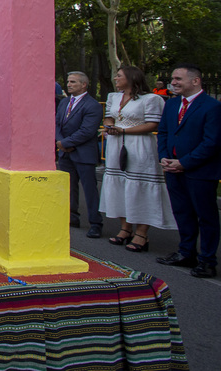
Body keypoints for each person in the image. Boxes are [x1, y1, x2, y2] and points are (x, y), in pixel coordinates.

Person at [156, 63, 221, 278]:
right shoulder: (172, 104)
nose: (173, 83)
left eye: (178, 79)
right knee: (182, 213)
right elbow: (164, 132)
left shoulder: (212, 106)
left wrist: (184, 162)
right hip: (172, 169)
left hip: (200, 172)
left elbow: (211, 142)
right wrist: (164, 156)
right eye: (172, 79)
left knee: (206, 216)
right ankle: (186, 252)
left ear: (195, 81)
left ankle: (208, 260)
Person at [99, 65, 174, 252]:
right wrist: (110, 126)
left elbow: (152, 124)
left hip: (139, 146)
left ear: (131, 78)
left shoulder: (151, 99)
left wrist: (124, 130)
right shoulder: (113, 97)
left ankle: (141, 233)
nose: (115, 79)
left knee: (139, 188)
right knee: (119, 185)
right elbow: (109, 117)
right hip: (116, 145)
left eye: (119, 76)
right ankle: (125, 227)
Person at [55, 71, 104, 238]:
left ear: (84, 84)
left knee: (89, 189)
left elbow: (87, 130)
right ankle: (72, 217)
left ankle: (95, 222)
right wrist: (60, 141)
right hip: (65, 153)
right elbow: (57, 123)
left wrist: (66, 143)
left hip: (83, 153)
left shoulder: (93, 105)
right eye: (68, 81)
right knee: (69, 187)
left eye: (73, 82)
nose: (69, 84)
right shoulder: (64, 103)